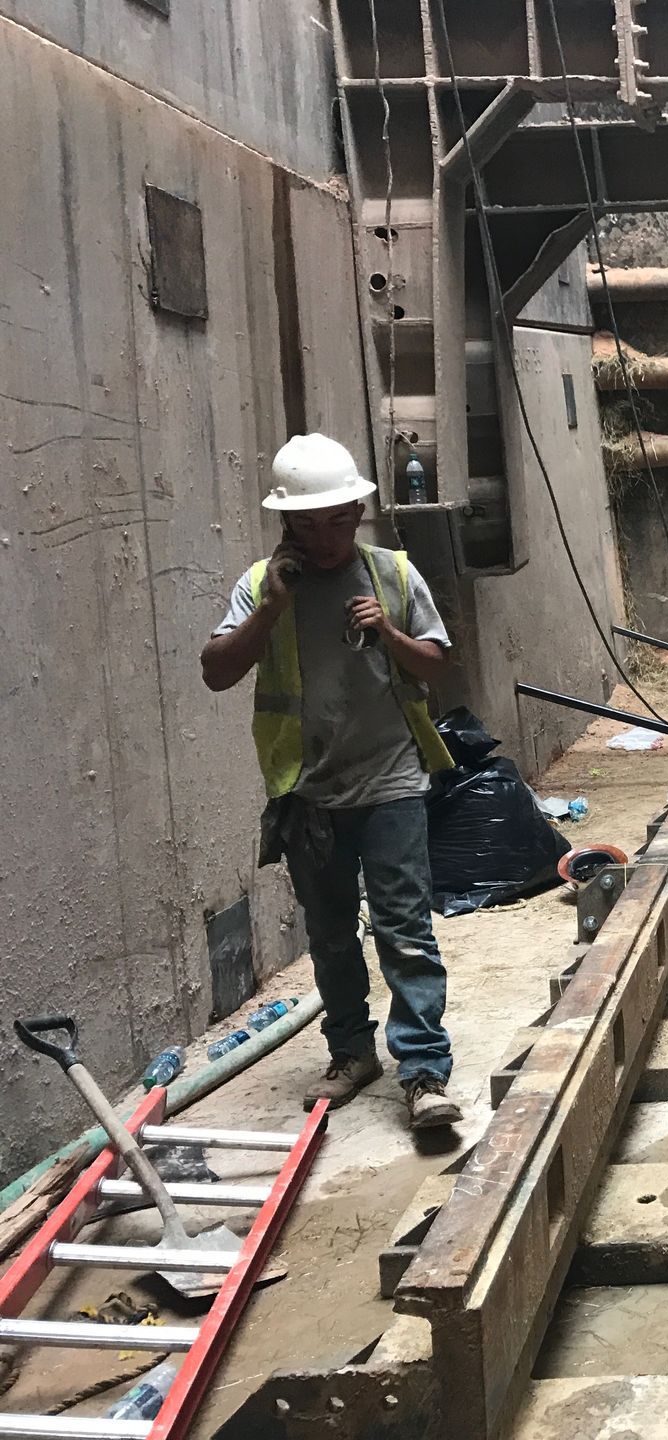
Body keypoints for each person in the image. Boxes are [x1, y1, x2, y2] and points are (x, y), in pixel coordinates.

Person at [200, 434, 463, 1130]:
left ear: (356, 509)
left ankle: (424, 1071)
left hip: (390, 782)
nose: (324, 537)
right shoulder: (262, 586)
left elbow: (437, 665)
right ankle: (351, 1052)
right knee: (331, 935)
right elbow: (217, 670)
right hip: (308, 792)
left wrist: (388, 637)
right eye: (307, 524)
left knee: (405, 929)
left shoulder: (394, 577)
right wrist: (271, 610)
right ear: (287, 522)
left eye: (337, 520)